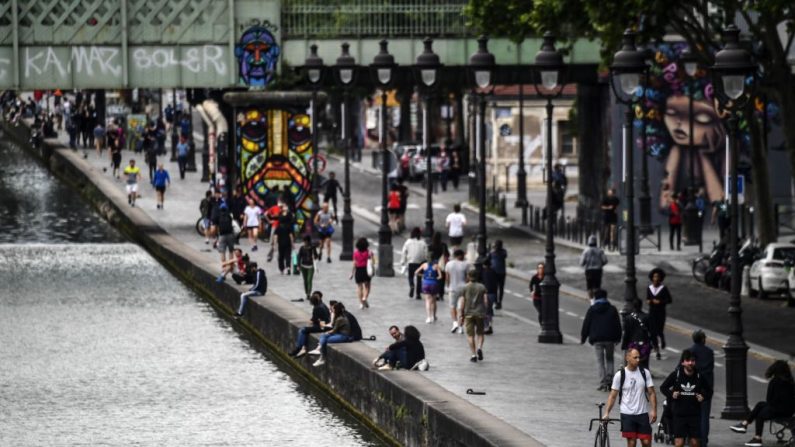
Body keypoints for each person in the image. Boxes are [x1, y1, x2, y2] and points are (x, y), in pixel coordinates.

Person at [729, 360, 795, 447]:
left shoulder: (774, 381)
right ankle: (744, 424)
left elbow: (769, 399)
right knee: (760, 404)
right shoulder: (791, 382)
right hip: (789, 411)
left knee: (760, 415)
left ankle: (757, 438)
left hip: (778, 410)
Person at [603, 348, 658, 447]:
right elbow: (613, 395)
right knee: (631, 443)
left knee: (646, 442)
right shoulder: (620, 375)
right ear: (627, 358)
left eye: (639, 357)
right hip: (627, 414)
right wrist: (607, 412)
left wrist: (654, 410)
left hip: (642, 414)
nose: (638, 360)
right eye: (635, 357)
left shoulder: (645, 373)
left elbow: (652, 393)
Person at [660, 350, 712, 447]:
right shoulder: (676, 375)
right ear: (683, 362)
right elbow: (663, 388)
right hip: (679, 415)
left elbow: (709, 391)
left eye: (692, 361)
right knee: (679, 443)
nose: (690, 363)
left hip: (694, 415)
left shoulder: (699, 376)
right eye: (688, 360)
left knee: (695, 443)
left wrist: (703, 397)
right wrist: (671, 394)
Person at [581, 289, 622, 391]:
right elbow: (617, 325)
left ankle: (603, 381)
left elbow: (587, 323)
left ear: (596, 298)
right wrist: (618, 337)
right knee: (610, 359)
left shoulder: (592, 309)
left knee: (600, 361)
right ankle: (610, 380)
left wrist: (583, 337)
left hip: (597, 339)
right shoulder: (612, 309)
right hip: (610, 339)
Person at [688, 330, 714, 447]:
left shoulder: (689, 352)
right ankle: (703, 440)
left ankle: (693, 438)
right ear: (703, 339)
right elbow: (710, 369)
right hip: (705, 388)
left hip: (691, 388)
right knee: (704, 415)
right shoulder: (709, 352)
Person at [309, 301, 353, 367]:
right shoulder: (338, 317)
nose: (332, 310)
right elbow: (332, 325)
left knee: (325, 340)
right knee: (323, 336)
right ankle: (320, 351)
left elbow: (334, 330)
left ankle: (322, 357)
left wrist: (327, 332)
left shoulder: (340, 319)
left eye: (333, 309)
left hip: (343, 336)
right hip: (338, 333)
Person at [289, 291, 331, 358]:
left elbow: (314, 320)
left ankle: (298, 348)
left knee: (302, 330)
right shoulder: (322, 305)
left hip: (322, 327)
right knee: (306, 331)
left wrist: (312, 322)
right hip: (325, 325)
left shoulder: (317, 308)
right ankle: (303, 348)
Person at [458, 269, 488, 363]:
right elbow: (486, 301)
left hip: (468, 314)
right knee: (480, 333)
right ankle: (479, 348)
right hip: (479, 313)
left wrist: (461, 315)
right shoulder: (482, 287)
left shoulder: (465, 287)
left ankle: (473, 354)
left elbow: (462, 302)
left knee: (470, 335)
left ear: (468, 276)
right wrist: (485, 311)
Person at [621, 299, 656, 371]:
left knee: (632, 364)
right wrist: (654, 344)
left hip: (632, 344)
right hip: (645, 343)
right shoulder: (647, 317)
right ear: (641, 305)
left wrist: (624, 345)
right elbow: (652, 332)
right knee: (644, 364)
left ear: (633, 306)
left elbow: (626, 333)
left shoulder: (628, 318)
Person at [647, 268, 672, 360]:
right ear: (652, 278)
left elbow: (669, 300)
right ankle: (657, 351)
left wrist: (660, 301)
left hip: (661, 312)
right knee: (652, 332)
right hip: (652, 312)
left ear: (660, 278)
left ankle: (662, 338)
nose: (656, 278)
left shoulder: (663, 289)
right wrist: (649, 301)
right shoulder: (649, 288)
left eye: (657, 277)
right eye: (654, 276)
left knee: (659, 330)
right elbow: (648, 298)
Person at [445, 249, 470, 334]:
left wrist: (448, 286)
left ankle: (455, 322)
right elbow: (468, 277)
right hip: (463, 288)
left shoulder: (449, 264)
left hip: (452, 288)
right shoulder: (466, 264)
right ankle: (460, 326)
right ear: (460, 255)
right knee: (461, 308)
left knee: (452, 306)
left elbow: (447, 277)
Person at [401, 227, 427, 300]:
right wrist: (425, 260)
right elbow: (426, 253)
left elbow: (404, 252)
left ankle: (412, 285)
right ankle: (418, 294)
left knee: (410, 276)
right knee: (419, 278)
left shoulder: (408, 242)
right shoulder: (423, 242)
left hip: (411, 262)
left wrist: (403, 261)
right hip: (420, 263)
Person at [416, 255, 443, 323]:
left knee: (427, 301)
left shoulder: (424, 265)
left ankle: (428, 317)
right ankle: (434, 316)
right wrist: (435, 278)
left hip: (426, 284)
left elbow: (416, 272)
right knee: (434, 301)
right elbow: (440, 276)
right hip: (434, 284)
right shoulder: (436, 266)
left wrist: (423, 276)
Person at [580, 235, 608, 299]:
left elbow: (581, 263)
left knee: (589, 287)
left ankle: (591, 301)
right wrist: (601, 264)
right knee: (597, 286)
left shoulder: (585, 251)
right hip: (598, 270)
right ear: (596, 242)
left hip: (589, 271)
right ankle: (596, 299)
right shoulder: (600, 250)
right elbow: (605, 260)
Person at [214, 203, 237, 281]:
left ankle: (224, 268)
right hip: (230, 235)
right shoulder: (229, 215)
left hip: (222, 236)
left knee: (222, 252)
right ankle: (231, 267)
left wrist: (216, 237)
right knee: (231, 251)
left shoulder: (218, 216)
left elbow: (216, 227)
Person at [350, 238, 373, 309]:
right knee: (367, 286)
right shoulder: (369, 252)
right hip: (366, 270)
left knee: (359, 287)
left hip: (358, 270)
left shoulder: (355, 253)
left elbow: (354, 263)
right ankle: (364, 297)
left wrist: (352, 273)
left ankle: (361, 303)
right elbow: (373, 262)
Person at [297, 235, 320, 300]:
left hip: (311, 266)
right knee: (305, 281)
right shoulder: (301, 248)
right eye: (304, 241)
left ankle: (308, 294)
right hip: (303, 266)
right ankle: (306, 292)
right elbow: (299, 257)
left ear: (308, 241)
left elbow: (316, 256)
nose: (305, 243)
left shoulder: (313, 247)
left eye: (306, 241)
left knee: (309, 280)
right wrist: (298, 265)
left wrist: (315, 256)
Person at [274, 206, 294, 275]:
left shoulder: (278, 227)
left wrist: (275, 244)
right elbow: (291, 236)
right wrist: (293, 244)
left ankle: (281, 268)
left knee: (281, 256)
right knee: (288, 256)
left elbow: (276, 236)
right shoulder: (289, 227)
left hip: (280, 243)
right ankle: (288, 267)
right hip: (287, 243)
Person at [487, 240, 507, 309]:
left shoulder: (499, 252)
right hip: (499, 272)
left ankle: (498, 302)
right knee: (498, 288)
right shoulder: (502, 252)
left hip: (497, 272)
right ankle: (497, 302)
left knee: (497, 288)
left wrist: (491, 249)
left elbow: (488, 259)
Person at [480, 259, 498, 335]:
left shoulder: (483, 272)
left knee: (485, 311)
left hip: (485, 293)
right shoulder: (494, 272)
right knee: (489, 311)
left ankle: (486, 327)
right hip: (493, 293)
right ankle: (490, 325)